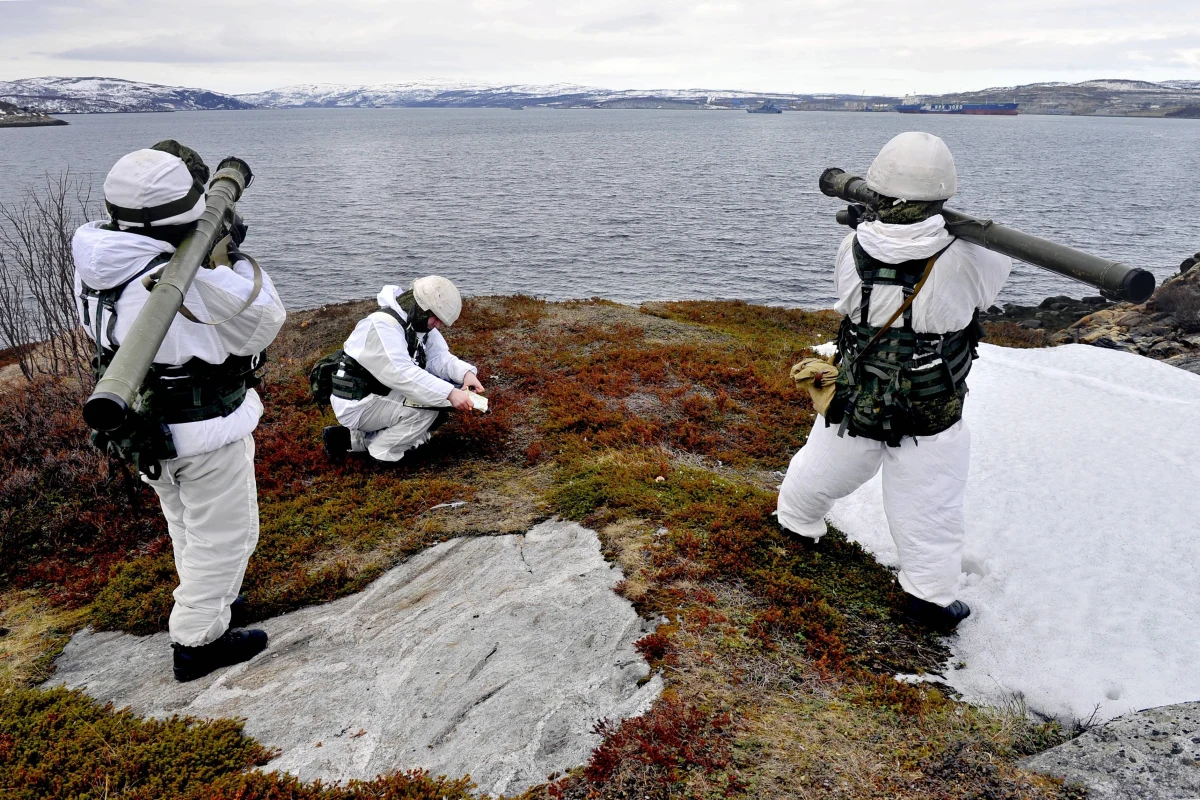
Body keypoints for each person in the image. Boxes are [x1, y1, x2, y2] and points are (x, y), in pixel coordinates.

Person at [776, 132, 1010, 631]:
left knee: (824, 461)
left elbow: (847, 298)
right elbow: (983, 295)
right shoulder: (977, 255)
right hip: (929, 405)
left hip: (859, 394)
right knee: (929, 498)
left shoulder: (851, 245)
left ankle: (795, 524)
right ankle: (928, 599)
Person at [74, 142, 287, 681]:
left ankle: (214, 599)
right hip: (205, 432)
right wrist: (229, 255)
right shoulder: (178, 279)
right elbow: (263, 319)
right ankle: (197, 641)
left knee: (186, 523)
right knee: (228, 534)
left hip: (145, 427)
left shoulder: (98, 261)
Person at [323, 277, 483, 462]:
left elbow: (439, 358)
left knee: (446, 391)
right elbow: (402, 374)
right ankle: (383, 452)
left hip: (377, 395)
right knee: (430, 407)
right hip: (357, 403)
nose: (438, 324)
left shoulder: (415, 324)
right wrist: (449, 394)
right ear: (422, 308)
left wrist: (466, 374)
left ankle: (350, 440)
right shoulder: (381, 326)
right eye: (436, 317)